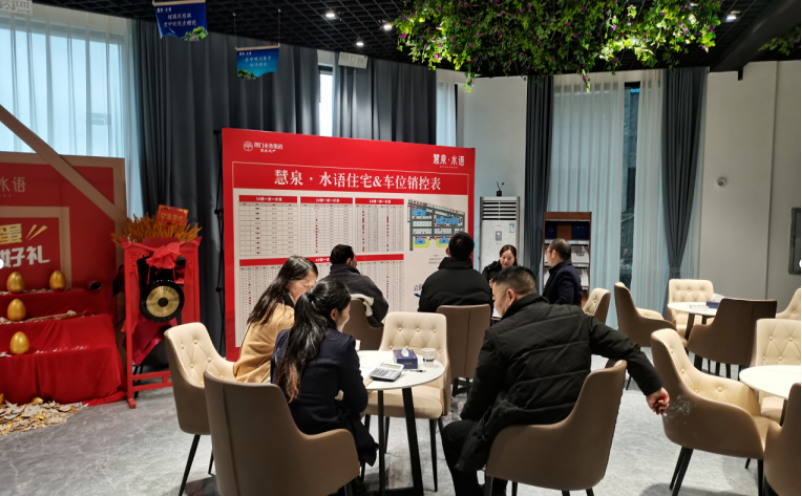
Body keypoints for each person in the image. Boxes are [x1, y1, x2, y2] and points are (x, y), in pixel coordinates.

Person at [441, 266, 669, 496]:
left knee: (454, 434)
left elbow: (479, 400)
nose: (496, 306)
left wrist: (469, 419)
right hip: (577, 433)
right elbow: (628, 348)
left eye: (495, 299)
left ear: (510, 296)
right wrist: (653, 389)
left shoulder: (498, 334)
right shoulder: (576, 317)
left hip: (529, 438)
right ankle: (497, 489)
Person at [271, 279, 377, 467]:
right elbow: (359, 402)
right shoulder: (342, 344)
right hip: (327, 436)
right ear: (334, 314)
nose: (348, 316)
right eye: (348, 311)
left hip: (284, 436)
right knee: (353, 415)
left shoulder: (283, 337)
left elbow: (276, 386)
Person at [233, 256, 318, 383]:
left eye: (313, 286)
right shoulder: (286, 316)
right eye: (306, 286)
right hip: (257, 381)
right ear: (288, 283)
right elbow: (302, 353)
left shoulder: (271, 303)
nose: (311, 292)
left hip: (246, 375)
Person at [418, 232, 493, 313]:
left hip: (444, 322)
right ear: (471, 254)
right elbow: (489, 312)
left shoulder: (432, 283)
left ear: (447, 251)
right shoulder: (483, 283)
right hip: (477, 322)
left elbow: (424, 316)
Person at [319, 244, 389, 327]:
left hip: (331, 331)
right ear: (349, 261)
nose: (356, 262)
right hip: (366, 332)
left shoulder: (322, 285)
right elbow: (382, 308)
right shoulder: (365, 282)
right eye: (355, 258)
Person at [542, 238, 583, 306]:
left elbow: (564, 303)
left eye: (547, 252)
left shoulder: (565, 273)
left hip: (557, 313)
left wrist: (545, 311)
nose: (546, 256)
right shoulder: (563, 270)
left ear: (553, 253)